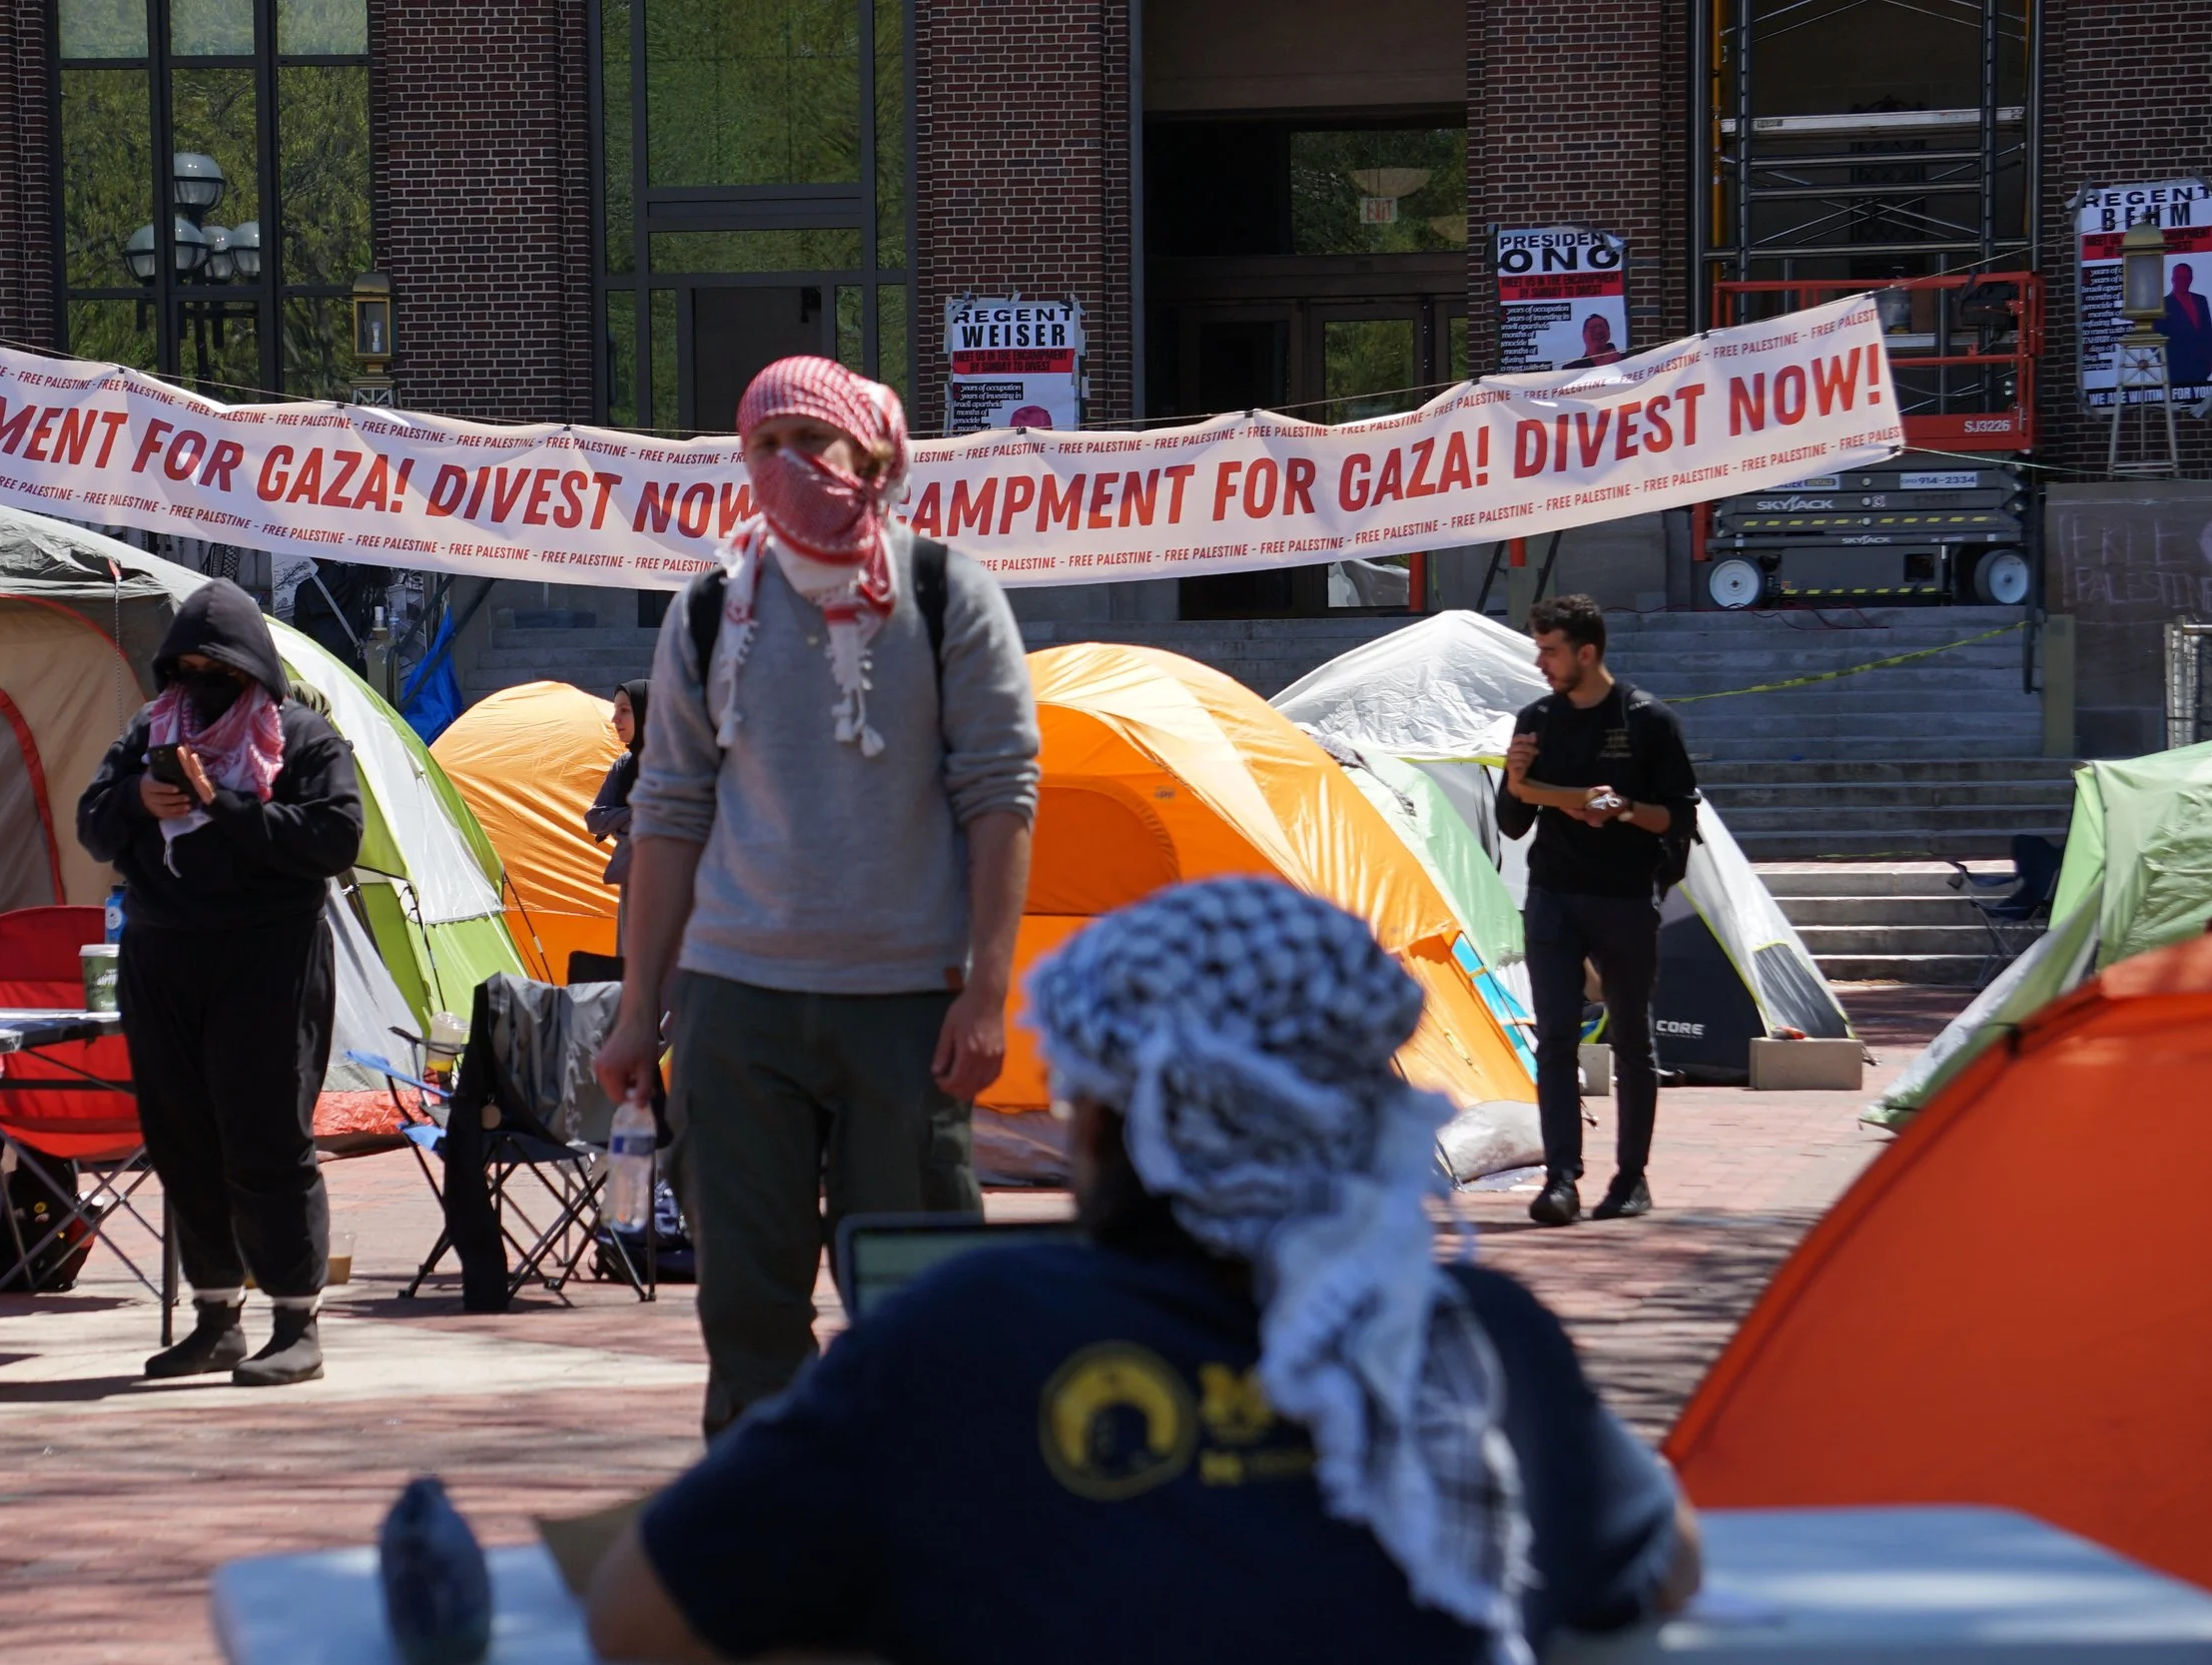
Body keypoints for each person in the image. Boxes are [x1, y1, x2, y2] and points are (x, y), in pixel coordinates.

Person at [583, 877, 1702, 1665]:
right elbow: (1666, 1560)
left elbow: (637, 1616)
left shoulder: (966, 1333)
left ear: (1109, 1119)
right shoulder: (1486, 1335)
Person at [593, 355, 1042, 1438]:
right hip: (734, 1004)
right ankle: (772, 1513)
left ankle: (922, 1517)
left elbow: (1001, 794)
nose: (787, 463)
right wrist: (636, 1006)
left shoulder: (946, 593)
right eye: (763, 444)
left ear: (871, 456)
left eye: (811, 440)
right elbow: (668, 812)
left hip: (907, 1009)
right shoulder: (709, 611)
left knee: (917, 1303)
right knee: (748, 1308)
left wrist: (986, 993)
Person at [77, 579, 365, 1386]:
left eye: (219, 672)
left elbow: (334, 837)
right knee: (183, 1138)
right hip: (164, 956)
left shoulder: (301, 739)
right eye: (187, 668)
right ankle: (216, 1318)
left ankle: (296, 1321)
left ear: (253, 670)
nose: (199, 685)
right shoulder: (150, 730)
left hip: (268, 959)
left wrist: (227, 804)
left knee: (268, 1136)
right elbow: (93, 823)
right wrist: (139, 797)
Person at [1497, 595, 1698, 1229]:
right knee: (1555, 1038)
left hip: (1625, 897)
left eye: (1550, 650)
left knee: (1632, 1036)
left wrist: (1624, 809)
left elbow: (1678, 820)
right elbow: (1512, 822)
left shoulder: (1647, 720)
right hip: (1553, 896)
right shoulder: (1536, 719)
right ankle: (1561, 1180)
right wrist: (1514, 778)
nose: (1540, 662)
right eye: (1539, 648)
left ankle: (1631, 1178)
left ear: (1586, 652)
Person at [585, 679, 651, 942]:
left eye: (625, 710)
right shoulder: (625, 766)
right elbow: (594, 819)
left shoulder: (679, 765)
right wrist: (635, 813)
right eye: (615, 710)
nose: (615, 719)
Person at [2162, 262, 2211, 392]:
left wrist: (2209, 361)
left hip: (2201, 367)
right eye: (2179, 278)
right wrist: (2167, 361)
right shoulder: (2164, 304)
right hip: (2176, 368)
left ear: (2191, 279)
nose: (2182, 281)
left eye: (2185, 278)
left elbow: (2208, 332)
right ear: (2173, 279)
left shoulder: (2200, 300)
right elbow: (2157, 336)